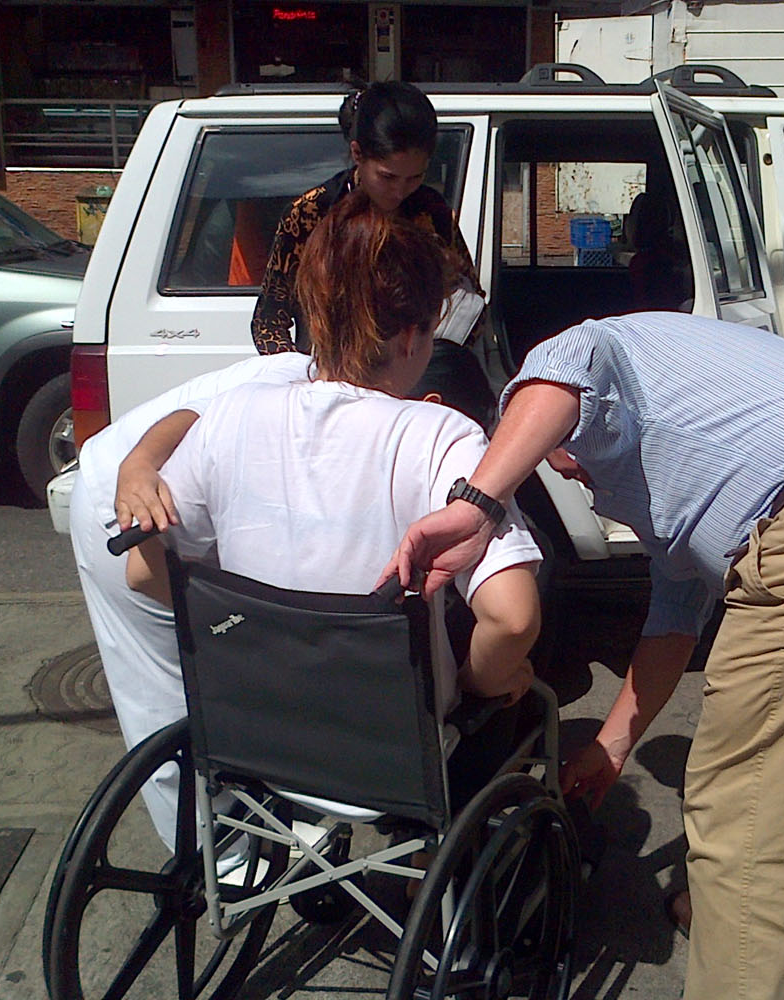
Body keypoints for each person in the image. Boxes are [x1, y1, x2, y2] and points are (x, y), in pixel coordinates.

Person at [383, 311, 784, 1000]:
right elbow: (673, 624)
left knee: (745, 816)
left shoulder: (574, 362)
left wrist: (480, 501)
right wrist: (612, 746)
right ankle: (717, 913)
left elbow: (567, 371)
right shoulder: (678, 445)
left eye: (557, 456)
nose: (566, 472)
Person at [127, 191, 543, 809]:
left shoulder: (232, 415)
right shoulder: (438, 434)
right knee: (523, 699)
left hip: (254, 733)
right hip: (391, 750)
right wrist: (486, 685)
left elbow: (141, 570)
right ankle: (429, 869)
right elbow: (512, 618)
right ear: (409, 337)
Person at [69, 351, 311, 850]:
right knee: (166, 694)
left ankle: (244, 829)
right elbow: (189, 417)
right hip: (128, 504)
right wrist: (136, 466)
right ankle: (218, 857)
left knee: (222, 672)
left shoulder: (322, 376)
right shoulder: (296, 380)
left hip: (177, 507)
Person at [250, 80, 482, 355]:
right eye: (387, 177)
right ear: (357, 153)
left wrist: (440, 359)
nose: (399, 192)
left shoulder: (432, 211)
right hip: (329, 374)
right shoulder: (311, 214)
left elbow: (471, 296)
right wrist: (302, 379)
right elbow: (268, 322)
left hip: (413, 372)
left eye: (414, 178)